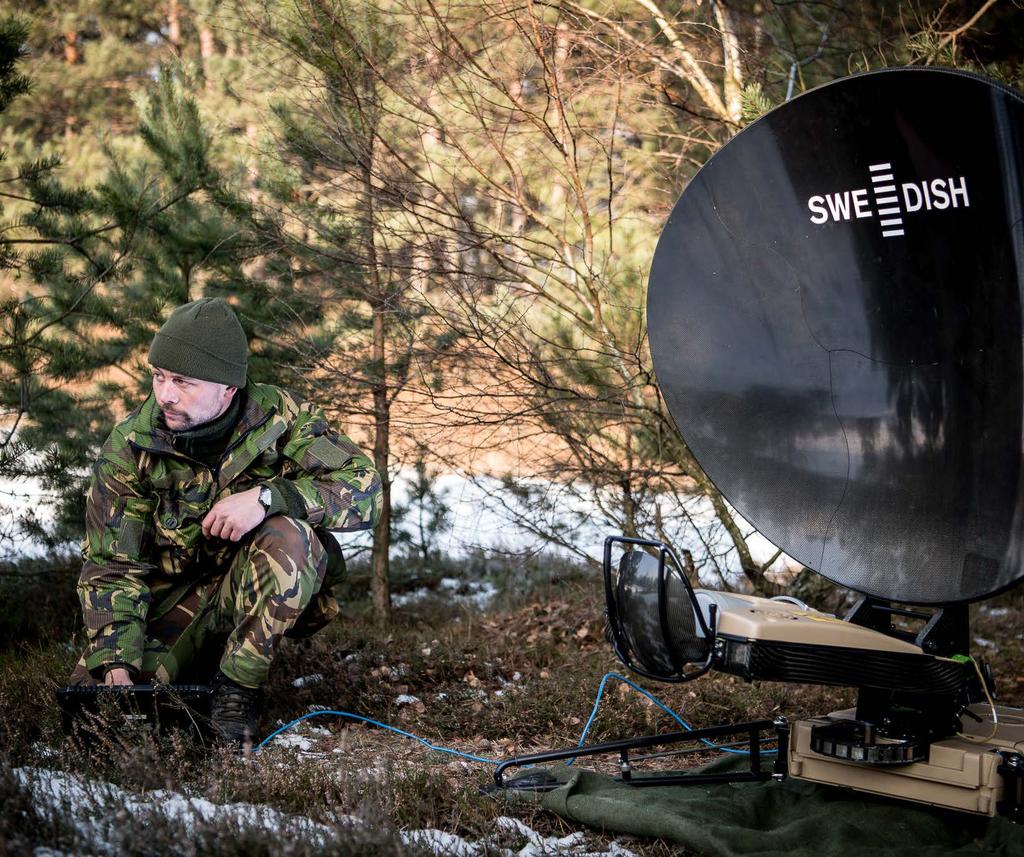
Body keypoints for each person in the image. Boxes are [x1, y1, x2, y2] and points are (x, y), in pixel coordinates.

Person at [69, 298, 382, 747]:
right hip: (174, 600)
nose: (165, 395)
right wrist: (115, 660)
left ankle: (238, 689)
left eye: (183, 381)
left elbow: (366, 488)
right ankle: (189, 665)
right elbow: (112, 565)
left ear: (228, 388)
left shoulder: (283, 420)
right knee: (99, 725)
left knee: (289, 536)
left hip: (256, 585)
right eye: (158, 376)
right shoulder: (131, 446)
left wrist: (269, 497)